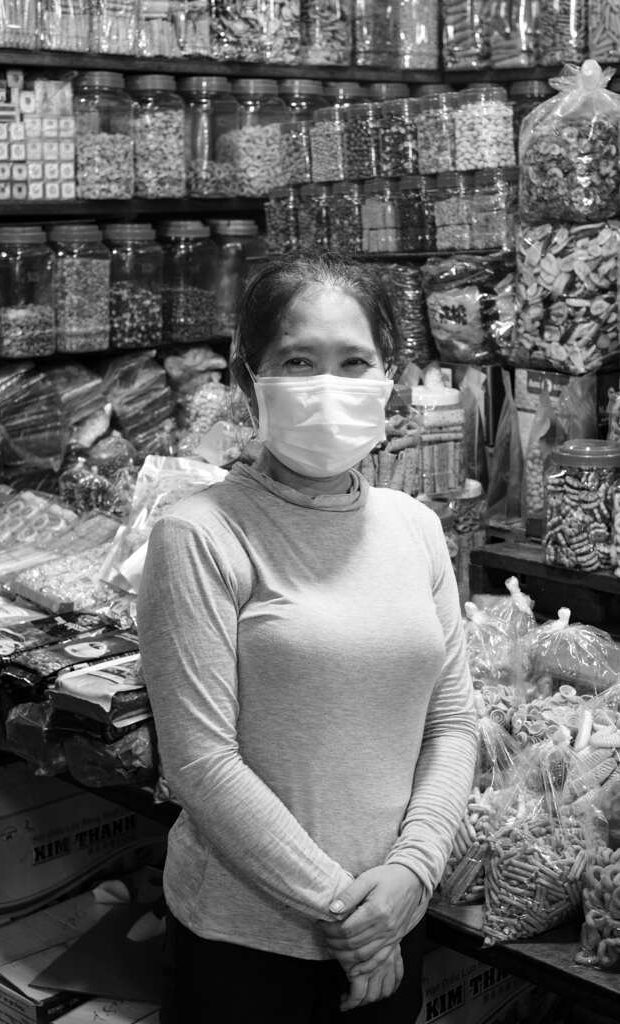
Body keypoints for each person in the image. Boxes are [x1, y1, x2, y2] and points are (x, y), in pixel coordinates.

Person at [137, 254, 477, 1023]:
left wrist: (411, 875)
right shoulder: (199, 534)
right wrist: (351, 919)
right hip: (246, 949)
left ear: (389, 377)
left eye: (353, 362)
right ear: (247, 378)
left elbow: (452, 724)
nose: (328, 385)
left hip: (394, 922)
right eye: (298, 361)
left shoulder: (416, 529)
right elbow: (199, 763)